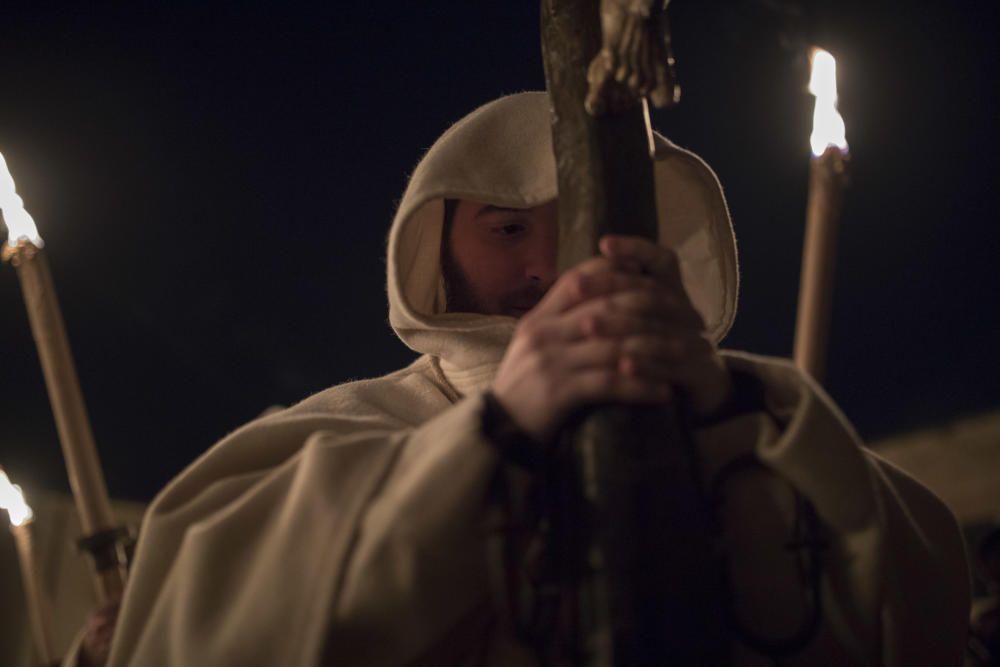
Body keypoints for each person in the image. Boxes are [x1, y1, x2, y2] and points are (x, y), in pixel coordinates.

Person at [73, 92, 969, 666]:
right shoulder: (350, 428)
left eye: (575, 220)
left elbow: (918, 599)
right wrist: (495, 431)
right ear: (434, 256)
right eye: (506, 228)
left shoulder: (742, 400)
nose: (549, 262)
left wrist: (733, 414)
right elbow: (211, 613)